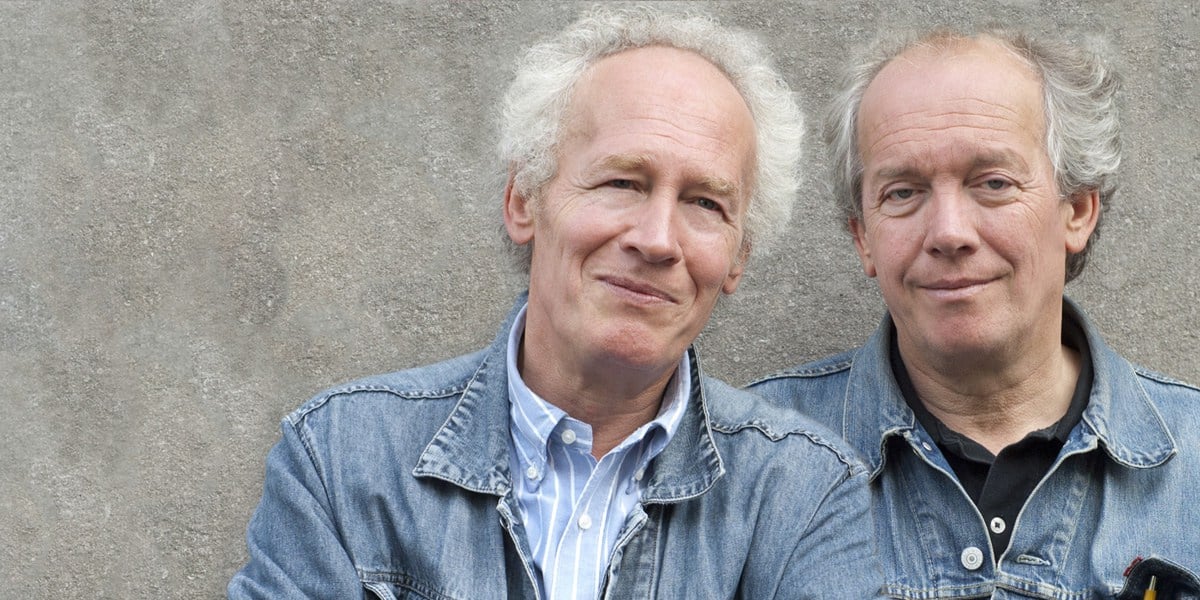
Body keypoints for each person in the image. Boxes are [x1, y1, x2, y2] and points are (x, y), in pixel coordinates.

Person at [228, 7, 882, 599]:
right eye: (622, 182)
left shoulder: (806, 494)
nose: (657, 239)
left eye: (705, 203)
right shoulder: (341, 460)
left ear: (738, 256)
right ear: (524, 200)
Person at [748, 27, 1200, 599]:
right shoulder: (749, 458)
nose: (949, 232)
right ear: (863, 237)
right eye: (903, 192)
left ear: (1077, 211)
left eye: (993, 183)